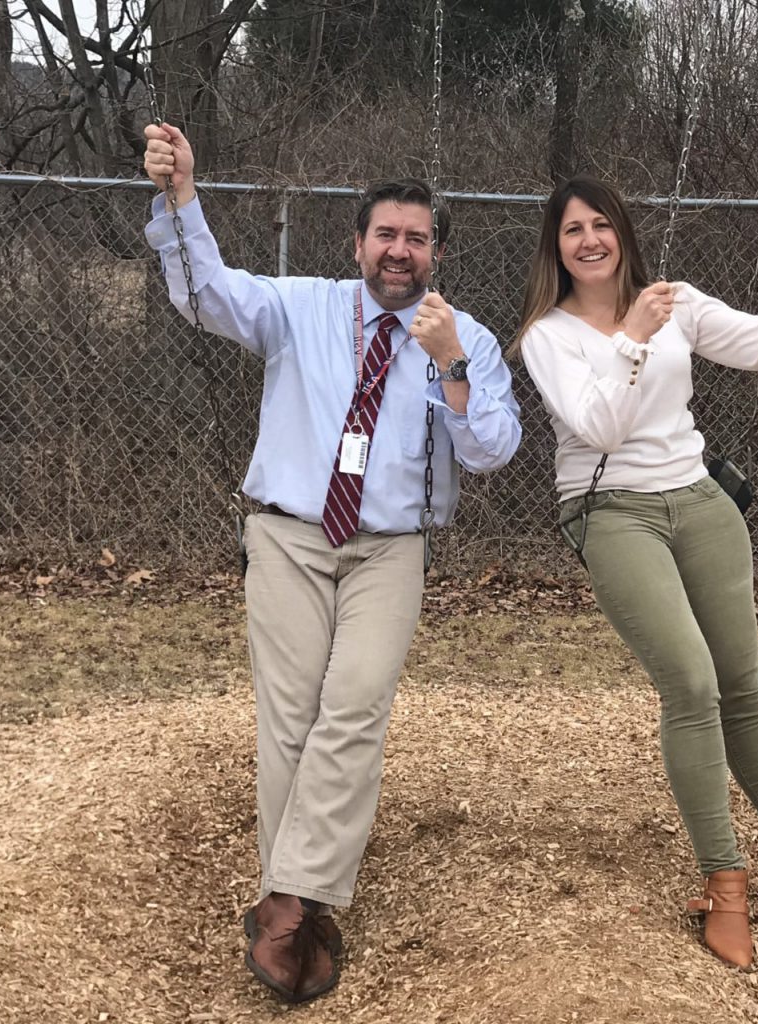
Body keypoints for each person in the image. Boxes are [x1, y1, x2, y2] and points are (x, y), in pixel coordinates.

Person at [143, 123, 521, 1003]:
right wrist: (182, 198)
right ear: (357, 244)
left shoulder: (461, 337)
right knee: (290, 715)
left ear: (435, 252)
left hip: (390, 546)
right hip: (288, 535)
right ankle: (305, 904)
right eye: (384, 235)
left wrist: (451, 365)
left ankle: (284, 896)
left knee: (351, 707)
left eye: (415, 238)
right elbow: (206, 294)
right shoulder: (300, 306)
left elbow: (492, 450)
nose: (399, 250)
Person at [513, 174, 758, 970]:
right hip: (610, 510)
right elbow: (597, 427)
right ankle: (723, 882)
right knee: (691, 684)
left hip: (698, 501)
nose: (589, 239)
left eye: (601, 224)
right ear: (554, 247)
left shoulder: (675, 302)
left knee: (741, 686)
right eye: (572, 230)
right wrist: (631, 336)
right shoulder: (545, 335)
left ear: (622, 233)